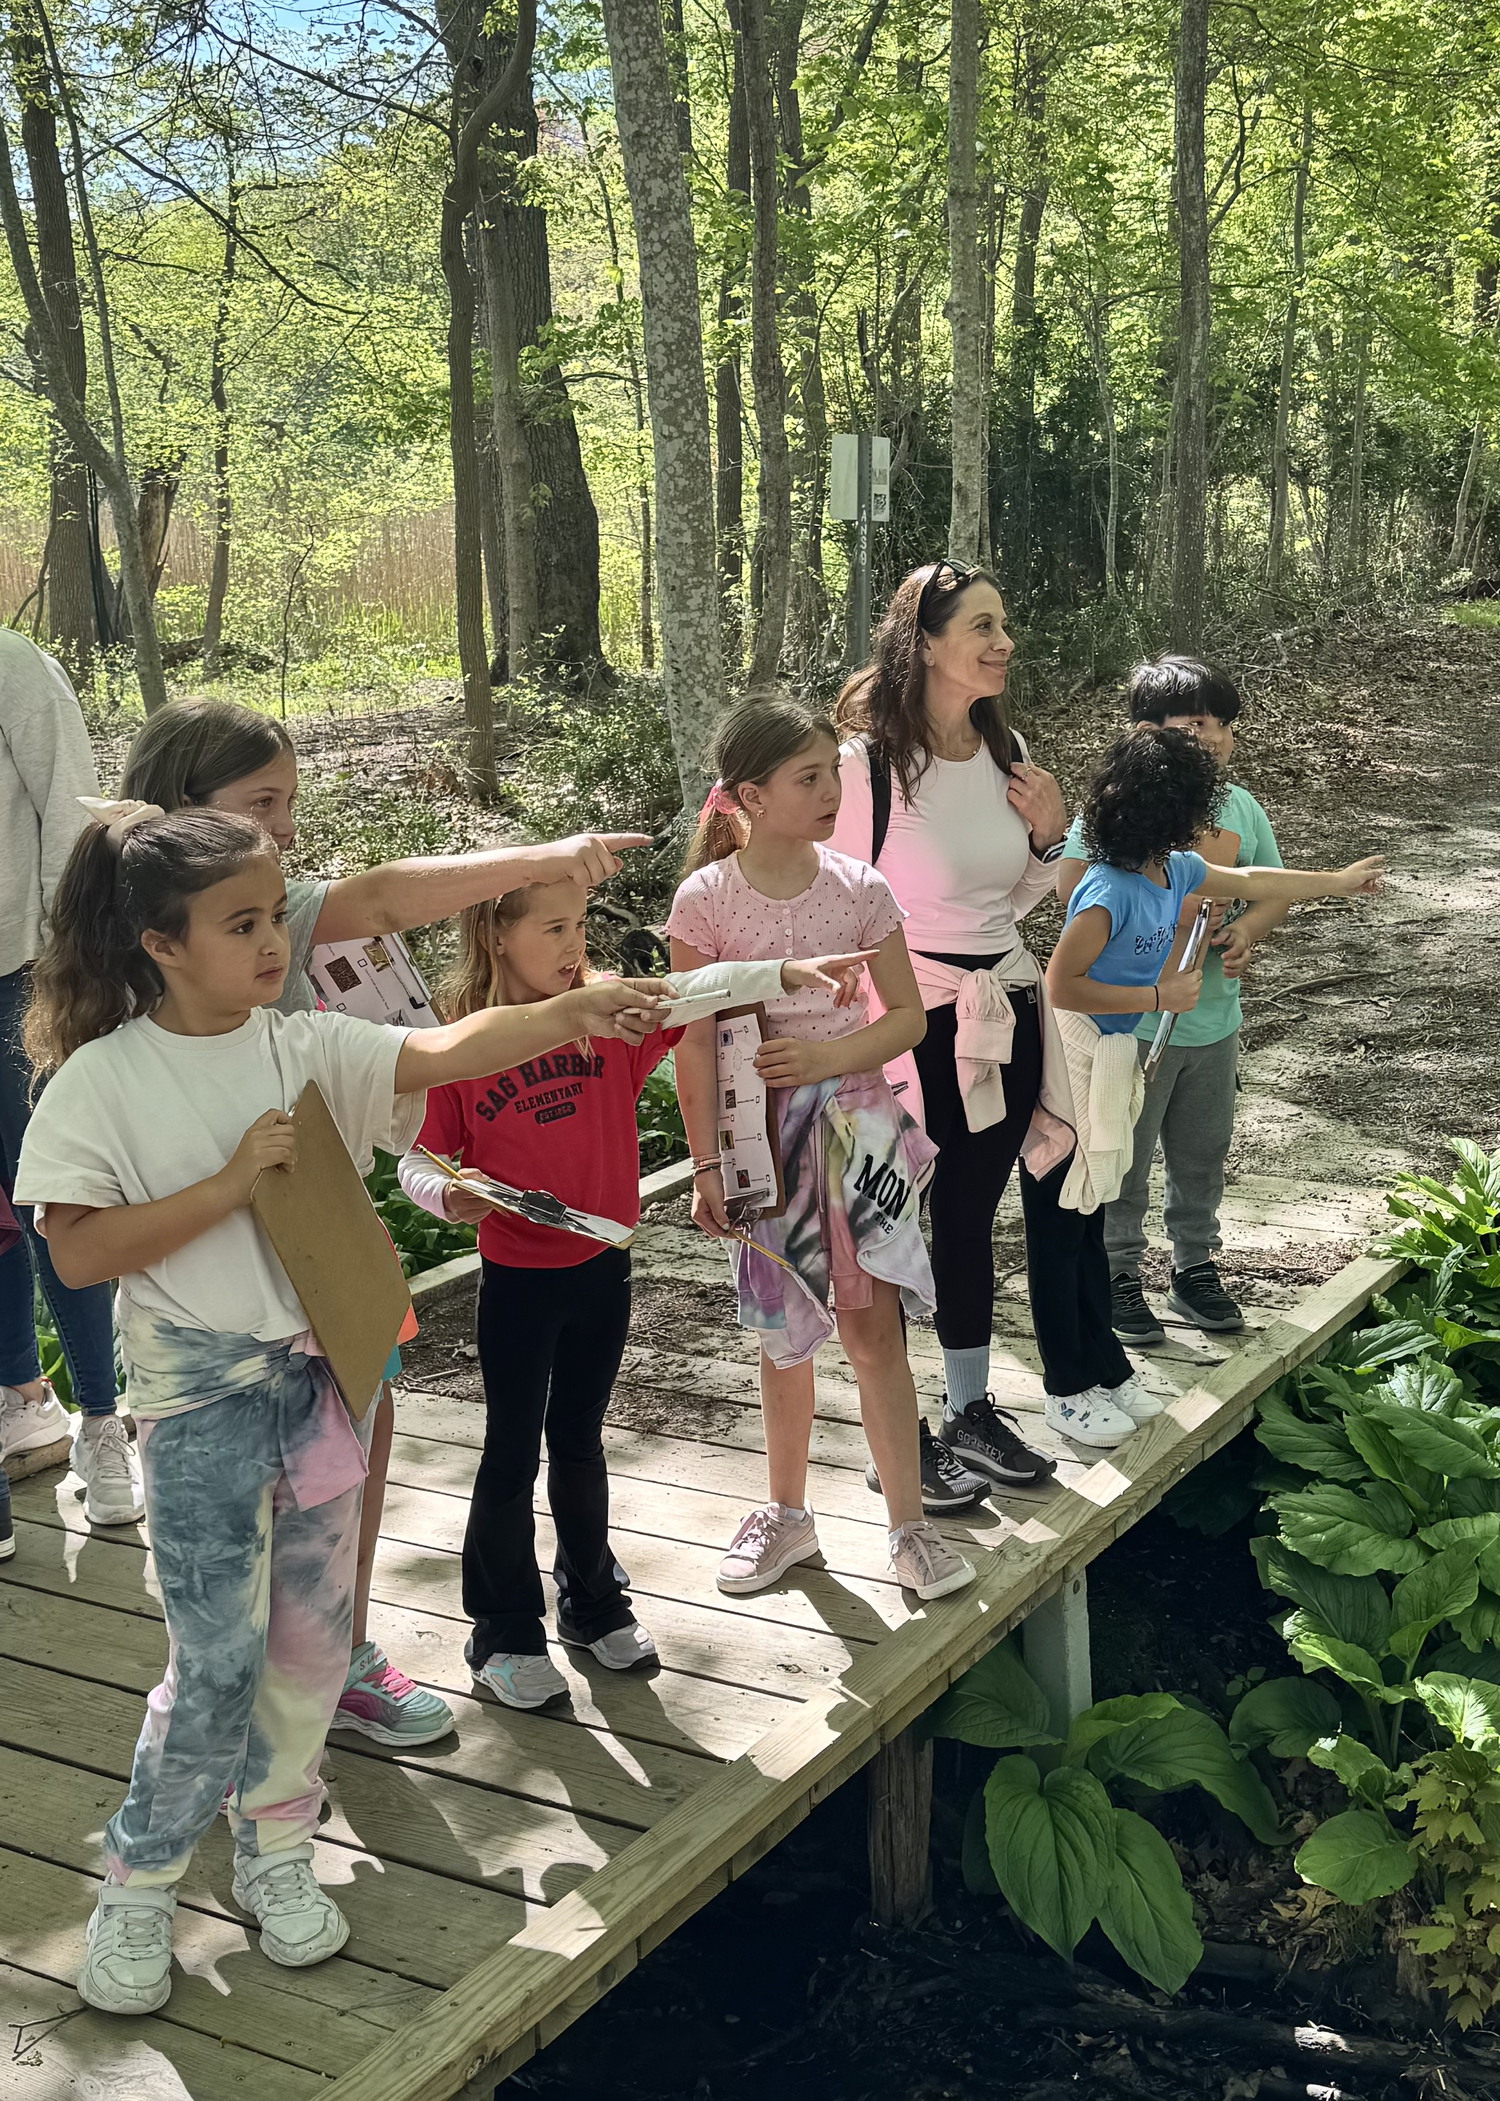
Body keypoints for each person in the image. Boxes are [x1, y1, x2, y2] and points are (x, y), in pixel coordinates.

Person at [14, 799, 669, 2017]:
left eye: (277, 915)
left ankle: (277, 1846)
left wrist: (575, 1010)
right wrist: (229, 1183)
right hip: (199, 1408)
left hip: (320, 1388)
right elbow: (81, 1254)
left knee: (312, 1648)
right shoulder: (103, 1080)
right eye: (241, 924)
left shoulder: (299, 1041)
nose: (275, 942)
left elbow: (445, 1050)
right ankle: (140, 1884)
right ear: (160, 943)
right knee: (215, 1664)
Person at [118, 697, 649, 1747]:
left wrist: (545, 864)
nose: (286, 829)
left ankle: (344, 1652)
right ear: (176, 810)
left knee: (366, 1406)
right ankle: (225, 1694)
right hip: (198, 1246)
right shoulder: (121, 948)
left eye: (290, 803)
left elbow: (384, 899)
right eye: (262, 803)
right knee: (225, 1466)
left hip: (314, 1206)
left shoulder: (277, 905)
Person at [397, 879, 871, 1708]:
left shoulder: (609, 1014)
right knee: (512, 1450)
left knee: (580, 1442)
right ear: (496, 934)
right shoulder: (461, 1039)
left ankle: (592, 1601)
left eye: (580, 924)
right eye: (553, 927)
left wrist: (787, 971)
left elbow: (700, 988)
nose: (574, 943)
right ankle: (503, 1632)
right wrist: (448, 1193)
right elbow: (415, 1158)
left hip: (603, 1269)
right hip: (518, 1281)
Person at [668, 694, 977, 1604]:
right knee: (782, 1333)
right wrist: (706, 1163)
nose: (830, 793)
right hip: (759, 1143)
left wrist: (826, 1059)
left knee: (873, 1326)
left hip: (857, 1129)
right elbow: (692, 1042)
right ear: (750, 796)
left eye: (831, 774)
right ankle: (787, 1515)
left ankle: (909, 1528)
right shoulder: (705, 901)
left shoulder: (860, 888)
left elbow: (908, 1018)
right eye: (807, 778)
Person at [1045, 726, 1382, 1444]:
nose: (1209, 819)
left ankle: (1105, 1367)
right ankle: (1069, 1386)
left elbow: (1253, 881)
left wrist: (1336, 882)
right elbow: (1061, 986)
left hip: (1116, 1062)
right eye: (1199, 806)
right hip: (1076, 1066)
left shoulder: (1177, 870)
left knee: (1094, 1211)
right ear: (1167, 811)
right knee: (1074, 1226)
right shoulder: (1107, 890)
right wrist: (1157, 996)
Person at [831, 559, 1081, 1500]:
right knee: (890, 1223)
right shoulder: (866, 769)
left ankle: (968, 1412)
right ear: (926, 643)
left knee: (971, 1216)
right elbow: (835, 901)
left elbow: (1020, 894)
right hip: (904, 1018)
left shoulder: (1007, 751)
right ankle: (896, 1436)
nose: (1003, 642)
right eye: (982, 626)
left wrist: (1052, 836)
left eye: (1003, 623)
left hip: (1001, 1008)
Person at [1056, 656, 1287, 1342]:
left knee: (1201, 1151)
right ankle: (1118, 1271)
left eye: (1220, 724)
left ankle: (1194, 1266)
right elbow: (1076, 888)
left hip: (1212, 1021)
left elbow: (1268, 885)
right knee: (1122, 1148)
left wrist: (1245, 930)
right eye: (1191, 725)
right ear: (1145, 732)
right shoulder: (1120, 809)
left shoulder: (1241, 806)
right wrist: (1165, 911)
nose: (1210, 737)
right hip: (1130, 1024)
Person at [0, 631, 139, 1528]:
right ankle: (21, 1399)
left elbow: (72, 814)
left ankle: (101, 1421)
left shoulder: (13, 666)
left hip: (22, 975)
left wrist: (68, 968)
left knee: (53, 1200)